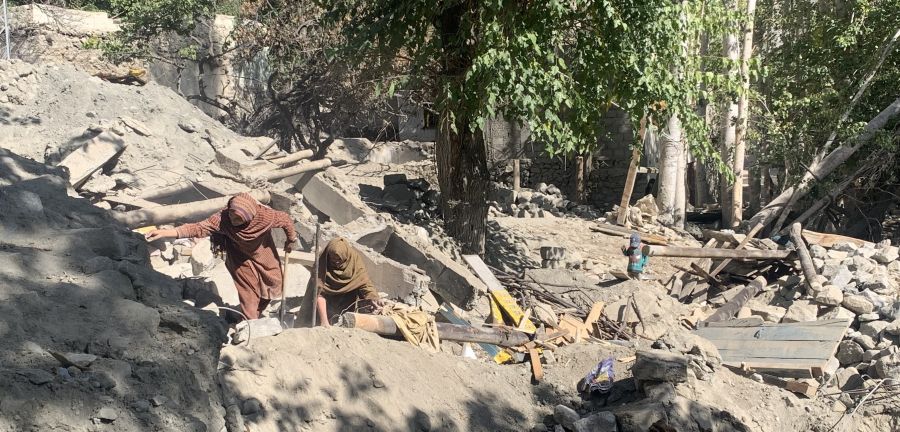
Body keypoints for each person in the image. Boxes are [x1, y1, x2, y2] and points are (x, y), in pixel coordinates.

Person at [145, 192, 297, 320]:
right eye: (231, 213)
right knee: (249, 292)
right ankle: (250, 323)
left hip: (264, 252)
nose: (232, 219)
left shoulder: (265, 217)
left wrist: (291, 240)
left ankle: (256, 313)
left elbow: (285, 220)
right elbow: (198, 228)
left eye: (238, 218)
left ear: (249, 217)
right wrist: (164, 233)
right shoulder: (222, 219)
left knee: (274, 283)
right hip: (238, 256)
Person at [315, 237, 380, 326]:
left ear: (346, 256)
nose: (336, 262)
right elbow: (318, 292)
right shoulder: (323, 261)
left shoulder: (354, 260)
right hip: (327, 301)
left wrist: (372, 297)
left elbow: (363, 281)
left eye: (339, 259)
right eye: (333, 260)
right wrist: (324, 321)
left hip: (348, 298)